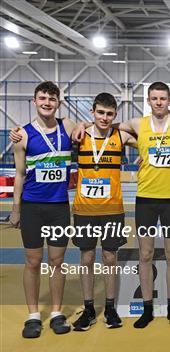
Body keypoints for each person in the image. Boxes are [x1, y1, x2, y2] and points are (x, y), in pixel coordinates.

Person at [9, 81, 77, 338]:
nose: (47, 102)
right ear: (35, 101)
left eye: (52, 98)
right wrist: (16, 209)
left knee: (57, 262)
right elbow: (18, 174)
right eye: (42, 98)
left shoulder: (67, 125)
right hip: (32, 207)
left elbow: (85, 128)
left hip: (59, 206)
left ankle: (58, 312)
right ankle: (33, 315)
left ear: (58, 102)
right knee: (33, 261)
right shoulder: (22, 135)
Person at [70, 93, 137, 331]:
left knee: (110, 258)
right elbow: (60, 125)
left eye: (109, 114)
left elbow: (150, 136)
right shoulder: (79, 135)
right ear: (92, 112)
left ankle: (110, 307)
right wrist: (81, 125)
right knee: (86, 258)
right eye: (100, 113)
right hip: (84, 209)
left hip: (113, 209)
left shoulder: (121, 135)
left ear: (115, 115)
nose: (105, 118)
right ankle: (88, 309)